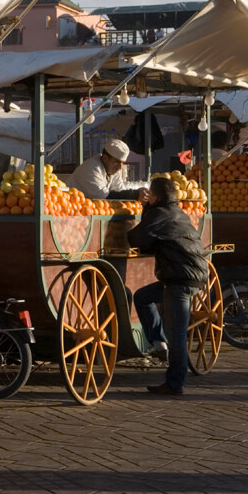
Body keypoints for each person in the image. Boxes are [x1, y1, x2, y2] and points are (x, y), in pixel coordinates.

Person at [129, 177, 210, 396]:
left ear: (155, 197)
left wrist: (144, 210)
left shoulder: (159, 213)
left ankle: (175, 383)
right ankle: (158, 342)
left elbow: (136, 238)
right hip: (189, 275)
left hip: (180, 280)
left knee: (178, 334)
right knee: (142, 296)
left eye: (150, 197)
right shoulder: (178, 212)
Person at [67, 139, 149, 201]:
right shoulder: (91, 168)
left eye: (122, 163)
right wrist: (134, 194)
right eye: (116, 162)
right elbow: (101, 195)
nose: (120, 167)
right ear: (105, 158)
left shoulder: (114, 169)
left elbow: (119, 190)